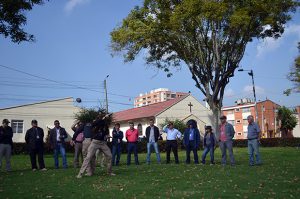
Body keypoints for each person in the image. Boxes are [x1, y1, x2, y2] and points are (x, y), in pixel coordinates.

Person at [77, 114, 115, 178]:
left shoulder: (105, 125)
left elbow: (106, 133)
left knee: (110, 156)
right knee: (88, 157)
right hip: (95, 142)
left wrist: (107, 136)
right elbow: (96, 123)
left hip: (102, 143)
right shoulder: (95, 124)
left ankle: (109, 172)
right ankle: (80, 173)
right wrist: (102, 118)